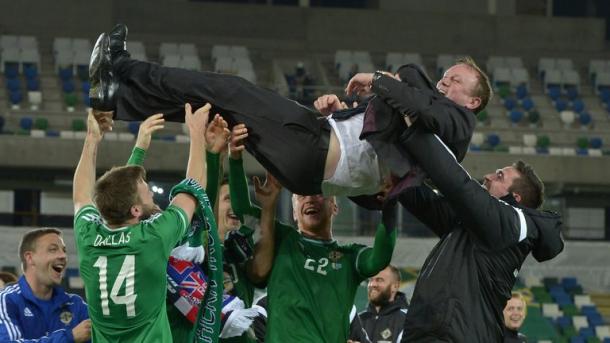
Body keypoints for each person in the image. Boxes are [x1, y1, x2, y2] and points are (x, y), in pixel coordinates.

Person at [88, 24, 491, 206]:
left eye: (454, 81)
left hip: (315, 152)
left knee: (229, 89)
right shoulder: (426, 124)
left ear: (472, 101)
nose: (443, 83)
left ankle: (122, 68)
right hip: (317, 155)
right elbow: (390, 145)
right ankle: (117, 99)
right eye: (444, 77)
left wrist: (382, 82)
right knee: (222, 105)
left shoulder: (458, 125)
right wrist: (345, 113)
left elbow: (421, 107)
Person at [392, 123, 564, 342]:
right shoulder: (475, 223)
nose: (488, 176)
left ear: (515, 199)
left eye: (500, 176)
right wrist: (386, 138)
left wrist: (412, 127)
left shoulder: (510, 225)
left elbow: (457, 182)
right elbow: (421, 199)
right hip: (427, 334)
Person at [72, 102, 215, 342]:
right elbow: (193, 188)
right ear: (136, 209)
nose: (151, 192)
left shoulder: (88, 235)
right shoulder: (153, 237)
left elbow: (81, 194)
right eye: (146, 189)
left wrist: (92, 138)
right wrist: (197, 133)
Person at [0, 228, 90, 342]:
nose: (63, 256)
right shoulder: (6, 300)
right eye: (53, 250)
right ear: (30, 258)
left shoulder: (76, 305)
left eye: (64, 250)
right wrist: (69, 337)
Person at [349, 265, 408, 343]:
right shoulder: (357, 319)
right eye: (370, 280)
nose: (372, 284)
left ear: (395, 286)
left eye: (379, 280)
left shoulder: (408, 320)